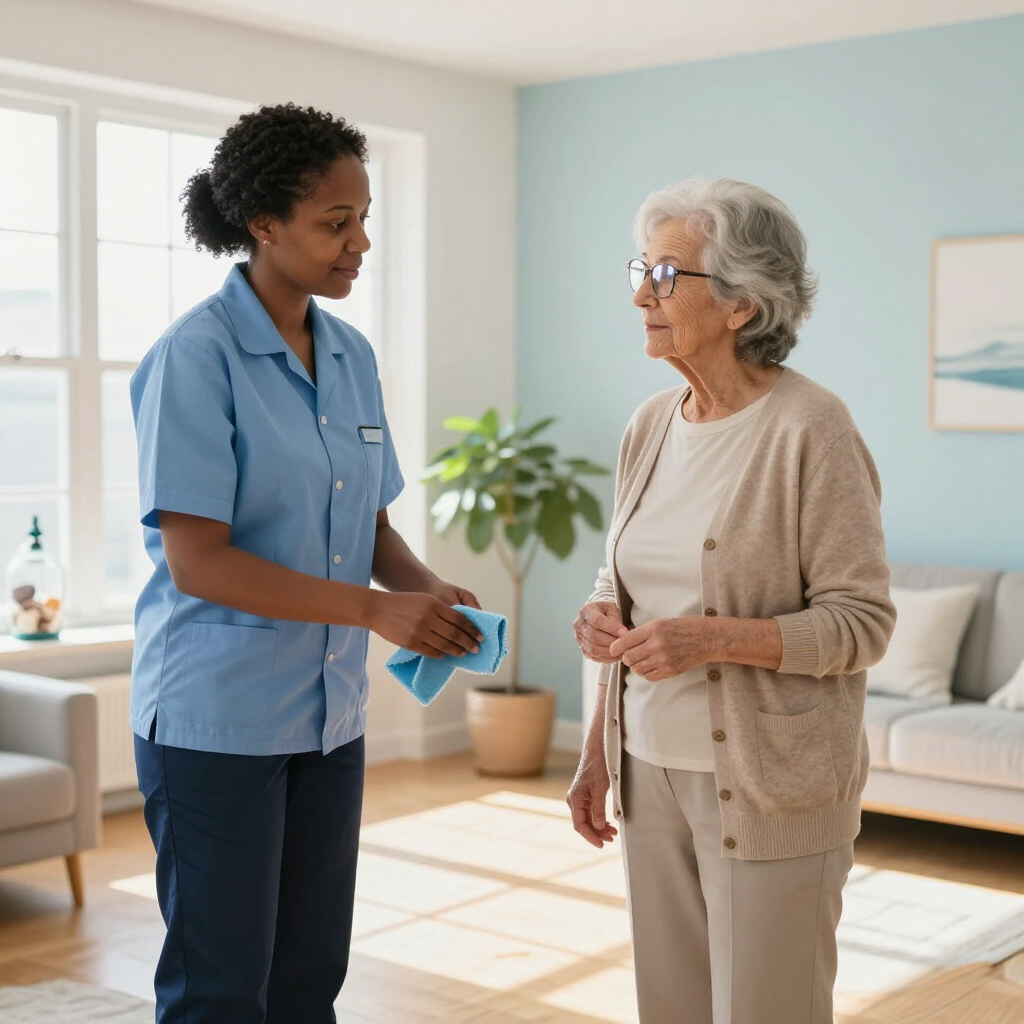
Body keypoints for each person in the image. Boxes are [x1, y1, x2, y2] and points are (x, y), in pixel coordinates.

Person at [130, 103, 483, 1024]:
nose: (360, 242)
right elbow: (199, 562)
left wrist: (422, 589)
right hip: (217, 721)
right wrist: (373, 612)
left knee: (307, 979)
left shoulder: (352, 356)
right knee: (220, 988)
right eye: (337, 223)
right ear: (263, 225)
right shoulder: (195, 358)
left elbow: (364, 521)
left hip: (329, 719)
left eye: (364, 218)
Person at [566, 177, 896, 1024]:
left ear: (744, 305)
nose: (643, 293)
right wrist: (598, 740)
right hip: (648, 772)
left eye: (670, 275)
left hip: (770, 785)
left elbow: (861, 624)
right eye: (642, 269)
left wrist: (710, 641)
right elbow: (621, 584)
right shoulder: (650, 423)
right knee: (669, 1009)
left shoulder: (811, 429)